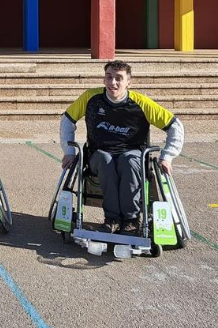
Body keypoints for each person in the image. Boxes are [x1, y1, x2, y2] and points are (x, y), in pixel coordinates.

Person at [60, 60, 184, 235]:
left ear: (128, 83)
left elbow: (175, 125)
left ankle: (131, 221)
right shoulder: (91, 98)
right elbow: (67, 120)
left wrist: (167, 156)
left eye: (119, 78)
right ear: (104, 79)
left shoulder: (141, 102)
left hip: (132, 154)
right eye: (109, 77)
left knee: (128, 160)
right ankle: (112, 219)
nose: (113, 83)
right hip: (99, 154)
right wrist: (69, 152)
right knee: (105, 160)